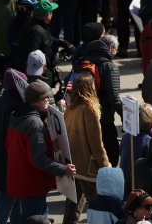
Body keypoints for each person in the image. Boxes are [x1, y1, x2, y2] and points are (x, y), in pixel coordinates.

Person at [6, 81, 77, 221]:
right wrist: (63, 169)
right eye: (46, 98)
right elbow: (39, 159)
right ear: (37, 101)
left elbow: (8, 145)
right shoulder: (35, 124)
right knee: (36, 219)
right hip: (31, 184)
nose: (48, 101)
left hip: (18, 180)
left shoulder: (16, 115)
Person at [64, 73, 111, 224]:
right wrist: (106, 166)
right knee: (101, 210)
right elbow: (96, 144)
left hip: (74, 167)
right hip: (89, 170)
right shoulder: (89, 110)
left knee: (72, 210)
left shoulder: (70, 109)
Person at [0, 69, 29, 224]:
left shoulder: (2, 100)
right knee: (9, 196)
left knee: (13, 196)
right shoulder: (15, 104)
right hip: (10, 158)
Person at [88, 34, 122, 166]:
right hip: (104, 119)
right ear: (111, 48)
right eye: (116, 49)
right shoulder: (109, 66)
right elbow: (114, 98)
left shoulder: (84, 61)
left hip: (84, 117)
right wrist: (128, 117)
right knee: (110, 157)